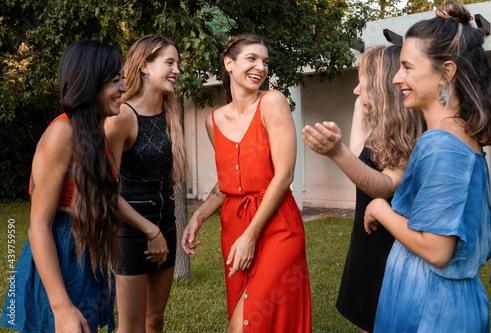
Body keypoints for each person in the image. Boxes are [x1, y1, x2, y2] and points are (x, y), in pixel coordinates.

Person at [364, 3, 491, 332]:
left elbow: (438, 250)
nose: (397, 78)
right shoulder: (456, 136)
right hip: (434, 300)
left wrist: (380, 208)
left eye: (408, 67)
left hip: (432, 308)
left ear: (446, 72)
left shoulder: (442, 143)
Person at [181, 33, 312, 333]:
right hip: (234, 227)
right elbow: (228, 182)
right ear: (229, 64)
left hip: (277, 227)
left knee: (246, 323)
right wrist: (198, 217)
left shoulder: (272, 102)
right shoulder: (212, 120)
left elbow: (284, 175)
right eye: (251, 59)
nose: (261, 67)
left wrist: (251, 235)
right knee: (242, 311)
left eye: (265, 61)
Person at [0, 40, 126, 333]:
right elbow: (38, 227)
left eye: (122, 79)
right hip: (60, 262)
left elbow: (100, 205)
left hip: (87, 261)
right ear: (89, 83)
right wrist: (61, 308)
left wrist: (106, 278)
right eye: (114, 80)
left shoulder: (94, 133)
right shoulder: (62, 132)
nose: (123, 88)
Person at [302, 45, 425, 332]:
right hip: (367, 248)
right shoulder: (386, 130)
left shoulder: (412, 135)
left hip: (391, 255)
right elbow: (362, 159)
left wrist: (336, 153)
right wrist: (362, 107)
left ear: (384, 86)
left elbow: (384, 186)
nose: (357, 90)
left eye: (363, 82)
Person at [105, 35, 188, 333]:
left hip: (165, 223)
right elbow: (106, 191)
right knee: (131, 328)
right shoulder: (121, 117)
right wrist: (148, 230)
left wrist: (160, 229)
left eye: (178, 63)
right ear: (144, 67)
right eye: (169, 62)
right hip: (129, 229)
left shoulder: (171, 111)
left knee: (155, 321)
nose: (176, 70)